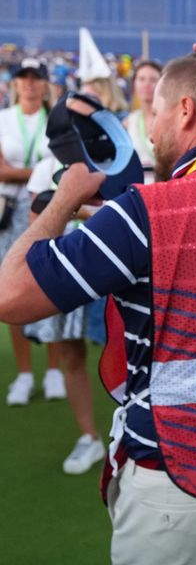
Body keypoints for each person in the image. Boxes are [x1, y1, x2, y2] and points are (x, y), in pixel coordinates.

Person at [0, 44, 196, 563]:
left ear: (186, 111)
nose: (149, 132)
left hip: (175, 479)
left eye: (156, 112)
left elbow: (11, 295)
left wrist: (63, 199)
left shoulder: (143, 214)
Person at [23, 154, 104, 474]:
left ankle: (144, 432)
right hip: (63, 267)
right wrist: (80, 209)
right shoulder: (46, 167)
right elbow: (34, 221)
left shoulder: (115, 162)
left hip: (112, 267)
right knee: (71, 352)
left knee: (133, 348)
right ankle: (89, 436)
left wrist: (73, 207)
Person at [1, 59, 60, 406]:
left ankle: (54, 369)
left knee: (48, 285)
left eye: (35, 78)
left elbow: (63, 169)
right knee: (11, 289)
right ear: (15, 83)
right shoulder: (3, 119)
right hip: (9, 213)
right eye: (23, 77)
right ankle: (24, 373)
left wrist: (15, 172)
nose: (29, 83)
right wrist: (36, 172)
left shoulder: (55, 119)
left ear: (44, 84)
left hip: (48, 209)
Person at [125, 60, 162, 181]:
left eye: (153, 80)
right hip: (137, 190)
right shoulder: (128, 122)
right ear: (134, 83)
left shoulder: (171, 120)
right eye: (141, 79)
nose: (147, 84)